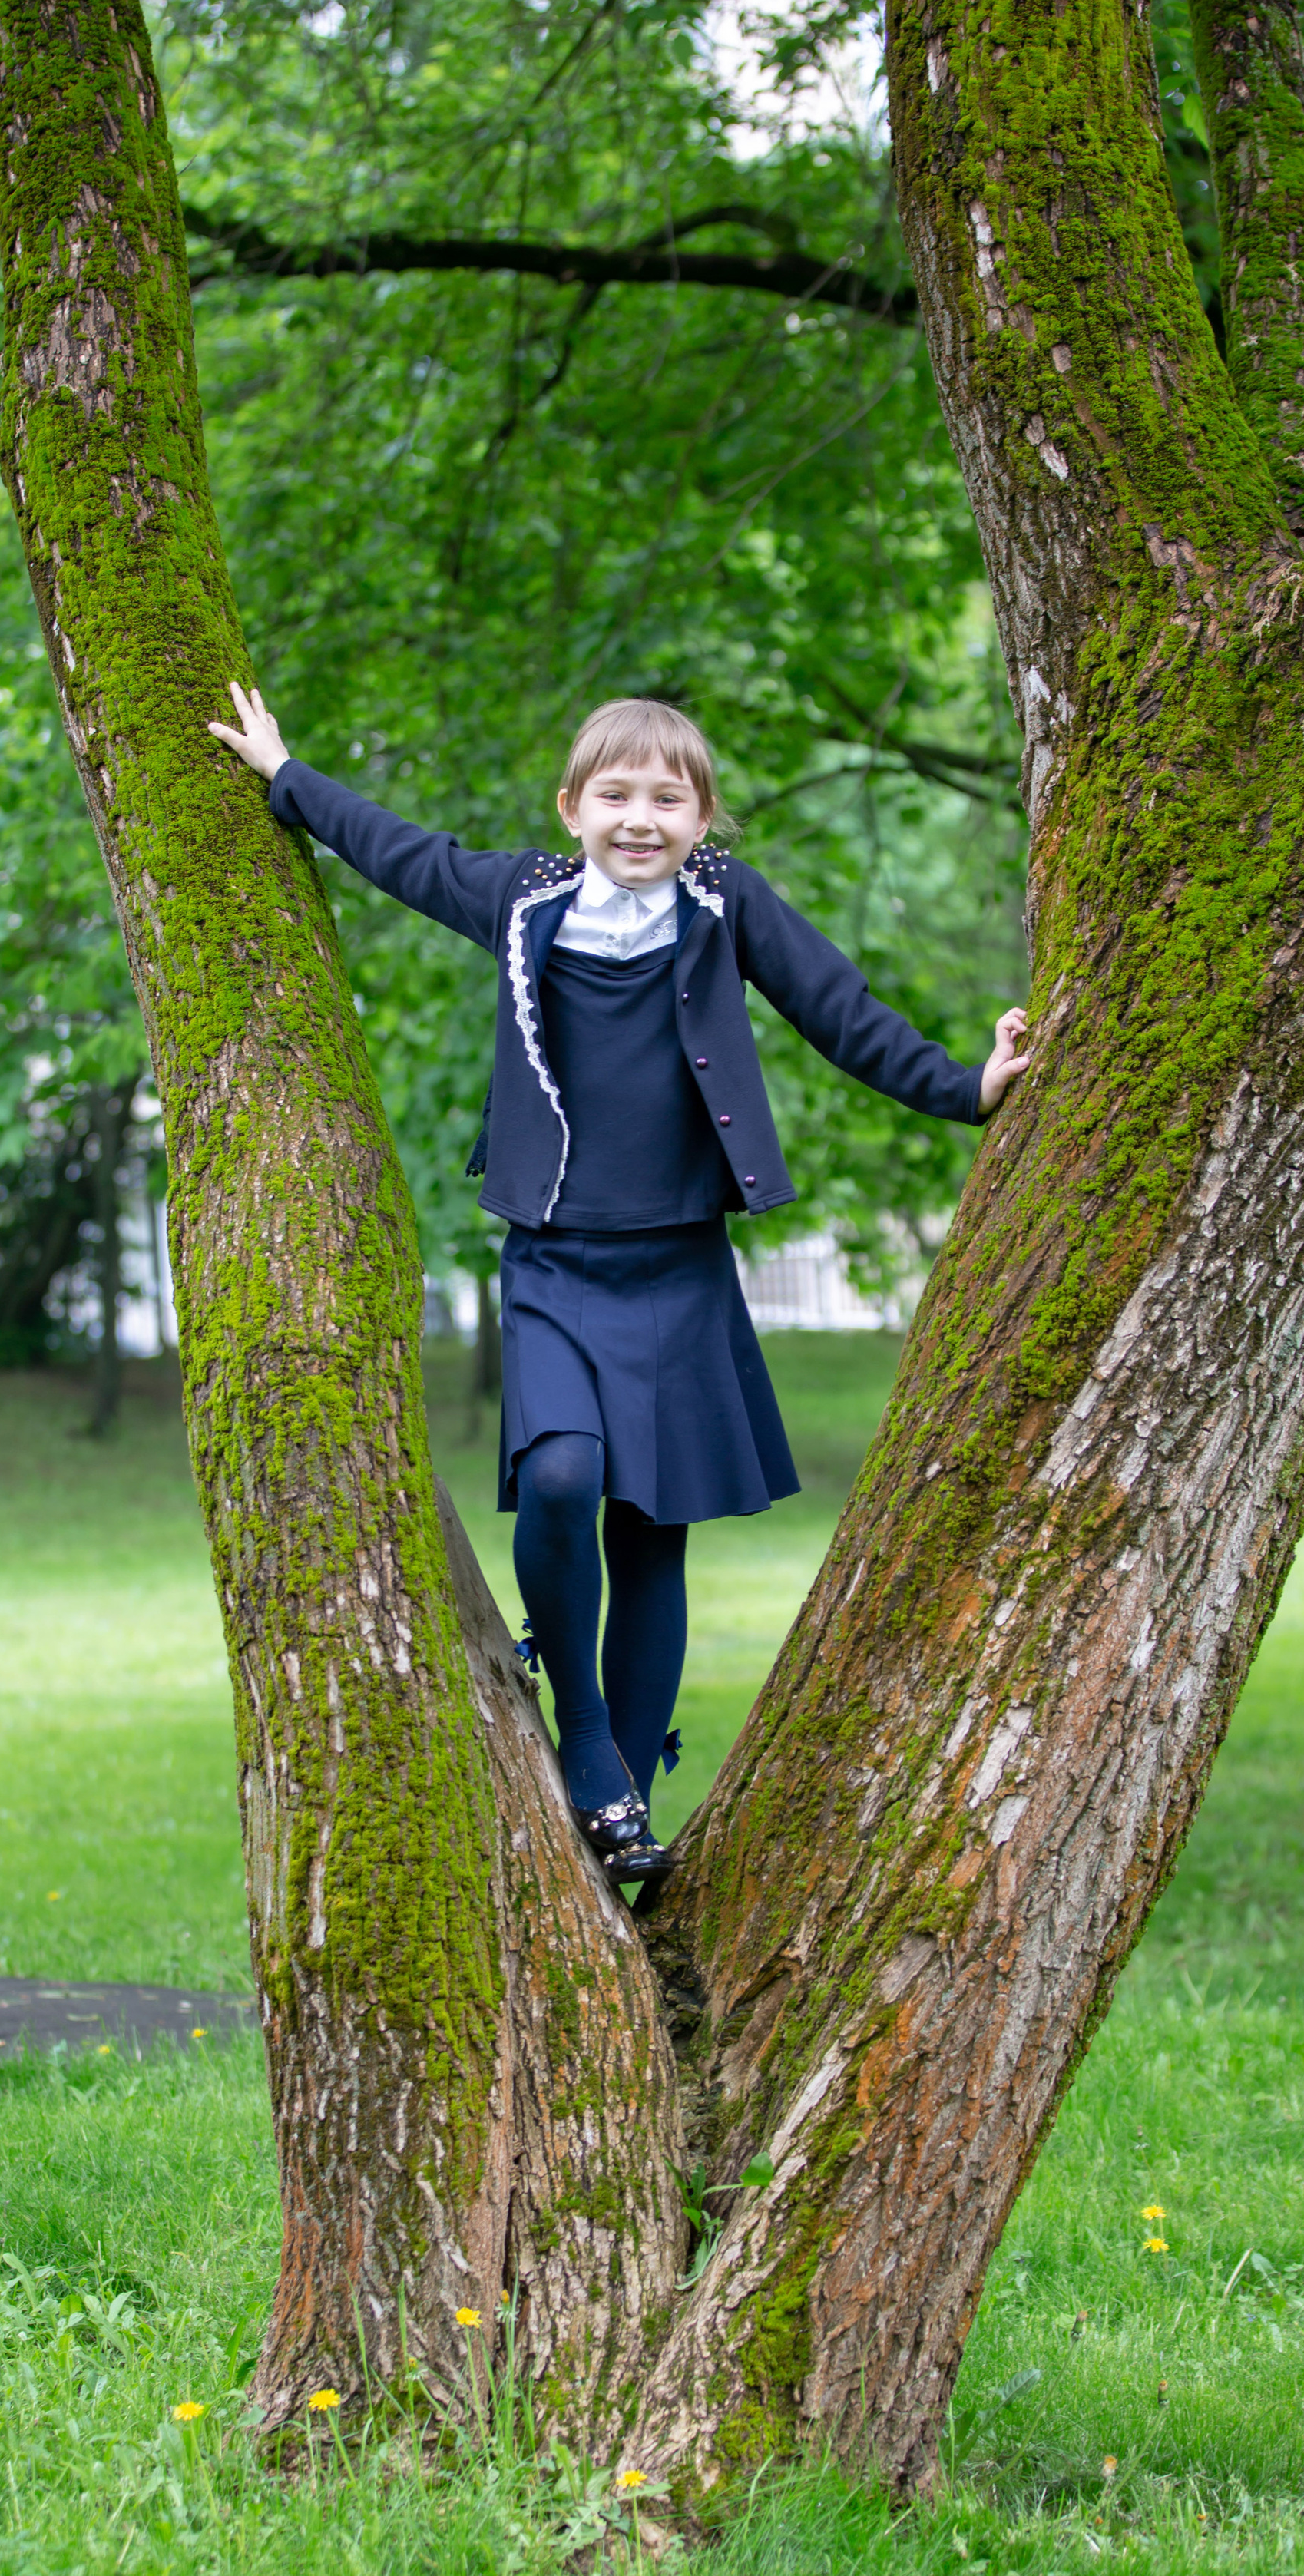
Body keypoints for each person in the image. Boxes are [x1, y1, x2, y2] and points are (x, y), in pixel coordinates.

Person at [210, 683, 1031, 1884]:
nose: (640, 818)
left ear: (705, 819)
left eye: (668, 798)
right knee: (562, 1476)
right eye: (616, 795)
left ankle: (625, 1822)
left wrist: (964, 1087)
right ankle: (586, 1739)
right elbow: (398, 854)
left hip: (682, 1269)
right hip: (555, 1262)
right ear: (571, 808)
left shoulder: (726, 906)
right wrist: (288, 775)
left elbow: (837, 1007)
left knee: (652, 1541)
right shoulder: (522, 901)